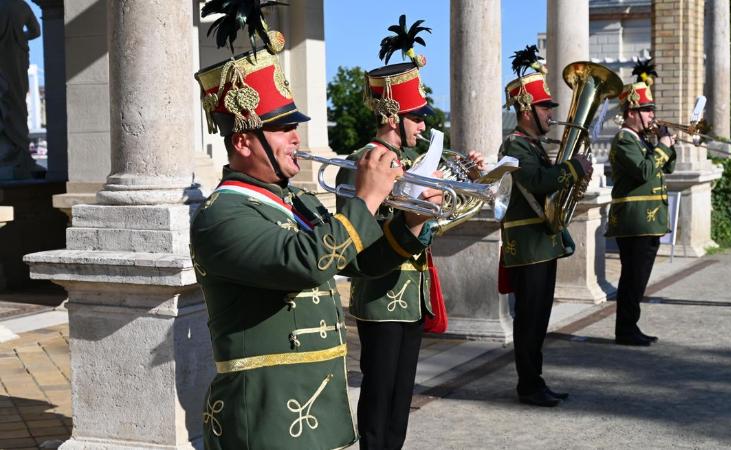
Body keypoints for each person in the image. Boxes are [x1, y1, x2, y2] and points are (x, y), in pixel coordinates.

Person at [190, 6, 441, 448]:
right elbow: (307, 263)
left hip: (315, 410)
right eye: (282, 128)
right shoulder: (222, 215)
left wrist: (410, 223)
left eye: (294, 127)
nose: (296, 139)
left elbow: (360, 263)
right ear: (243, 140)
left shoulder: (298, 201)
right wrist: (366, 197)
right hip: (264, 416)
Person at [335, 16, 482, 449]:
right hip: (381, 295)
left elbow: (431, 224)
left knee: (402, 395)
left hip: (411, 294)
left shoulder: (410, 163)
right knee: (379, 396)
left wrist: (465, 180)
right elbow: (357, 230)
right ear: (395, 115)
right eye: (417, 117)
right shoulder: (363, 160)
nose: (423, 125)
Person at [499, 45, 591, 407]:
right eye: (544, 108)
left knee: (538, 320)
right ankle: (528, 385)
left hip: (541, 244)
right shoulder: (515, 147)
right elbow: (537, 181)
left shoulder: (533, 145)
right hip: (528, 247)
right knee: (529, 321)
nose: (551, 114)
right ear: (526, 111)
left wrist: (574, 176)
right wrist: (571, 169)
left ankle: (535, 381)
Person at [605, 59, 676, 346]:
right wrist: (662, 147)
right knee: (632, 278)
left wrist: (668, 144)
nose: (651, 116)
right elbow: (646, 170)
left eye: (651, 111)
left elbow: (666, 168)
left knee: (639, 278)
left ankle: (630, 326)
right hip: (634, 221)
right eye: (647, 111)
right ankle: (625, 330)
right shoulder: (624, 141)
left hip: (647, 221)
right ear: (631, 112)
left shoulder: (642, 140)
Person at [0, 0, 41, 179]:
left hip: (2, 65)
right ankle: (20, 151)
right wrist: (21, 36)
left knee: (4, 104)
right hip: (18, 62)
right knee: (18, 105)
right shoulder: (23, 6)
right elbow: (36, 31)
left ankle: (6, 152)